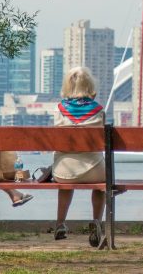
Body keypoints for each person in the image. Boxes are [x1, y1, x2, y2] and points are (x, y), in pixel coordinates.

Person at [52, 66, 109, 247]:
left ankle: (60, 223)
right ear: (89, 85)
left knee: (66, 183)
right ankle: (97, 222)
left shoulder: (59, 110)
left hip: (63, 171)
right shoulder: (99, 111)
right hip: (94, 170)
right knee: (101, 186)